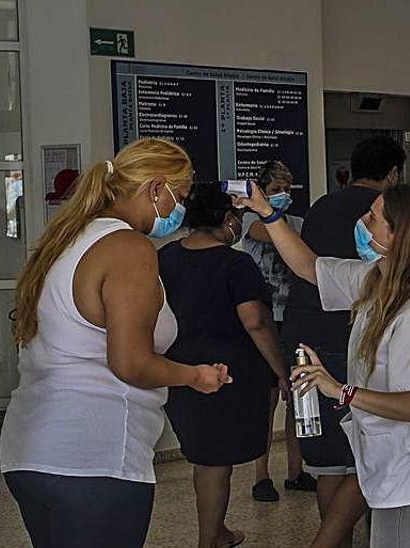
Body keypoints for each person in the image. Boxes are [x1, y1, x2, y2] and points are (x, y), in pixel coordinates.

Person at [2, 138, 231, 548]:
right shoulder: (128, 248)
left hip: (31, 452)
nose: (180, 210)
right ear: (155, 188)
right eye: (178, 197)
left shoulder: (67, 239)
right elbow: (130, 362)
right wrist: (195, 376)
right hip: (93, 454)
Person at [241, 182, 410, 548]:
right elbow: (308, 267)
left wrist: (341, 390)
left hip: (406, 462)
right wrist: (268, 213)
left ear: (399, 235)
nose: (362, 222)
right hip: (384, 454)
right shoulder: (377, 279)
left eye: (373, 218)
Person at [281, 135, 405, 547]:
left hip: (312, 339)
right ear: (392, 174)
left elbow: (306, 266)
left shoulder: (321, 208)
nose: (366, 222)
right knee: (363, 462)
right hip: (351, 348)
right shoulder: (383, 253)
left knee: (331, 463)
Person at [158, 182, 291, 548]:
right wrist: (281, 371)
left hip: (178, 369)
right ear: (229, 219)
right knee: (216, 461)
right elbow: (256, 322)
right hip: (226, 374)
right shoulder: (236, 264)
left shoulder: (166, 257)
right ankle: (210, 539)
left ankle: (216, 530)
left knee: (206, 458)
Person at [240, 160, 315, 502]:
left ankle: (296, 471)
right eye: (274, 191)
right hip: (265, 320)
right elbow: (270, 232)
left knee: (298, 397)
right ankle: (261, 476)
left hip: (295, 317)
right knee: (266, 400)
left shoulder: (298, 223)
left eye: (287, 189)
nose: (282, 196)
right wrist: (271, 214)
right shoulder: (251, 221)